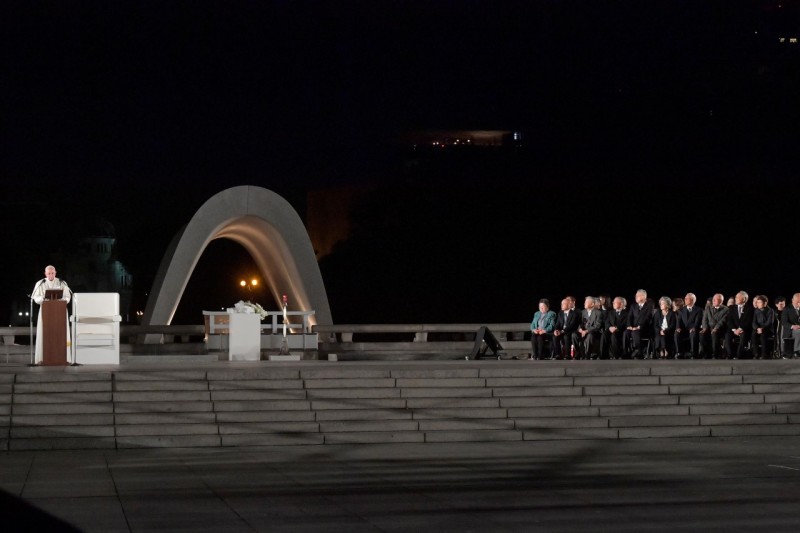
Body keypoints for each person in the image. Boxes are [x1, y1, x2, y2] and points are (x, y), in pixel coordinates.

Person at [31, 265, 72, 364]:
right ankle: (42, 358)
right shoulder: (40, 283)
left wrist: (60, 300)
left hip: (60, 311)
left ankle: (64, 358)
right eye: (48, 273)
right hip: (46, 311)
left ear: (55, 273)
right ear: (45, 273)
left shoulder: (62, 282)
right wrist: (43, 298)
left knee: (61, 334)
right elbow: (35, 298)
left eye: (52, 273)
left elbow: (68, 297)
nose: (50, 275)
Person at [726, 291, 753, 360]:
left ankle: (739, 355)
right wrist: (734, 330)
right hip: (733, 329)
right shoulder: (731, 308)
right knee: (727, 335)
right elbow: (729, 321)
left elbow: (749, 321)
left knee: (743, 335)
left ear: (744, 299)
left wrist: (740, 329)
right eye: (736, 297)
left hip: (744, 329)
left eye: (738, 297)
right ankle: (730, 355)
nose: (735, 298)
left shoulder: (750, 309)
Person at [627, 289, 654, 359]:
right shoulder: (633, 306)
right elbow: (629, 317)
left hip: (644, 328)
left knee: (635, 332)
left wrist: (639, 326)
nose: (635, 297)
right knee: (625, 333)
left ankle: (638, 350)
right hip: (633, 327)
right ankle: (626, 353)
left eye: (637, 296)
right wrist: (629, 326)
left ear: (642, 296)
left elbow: (647, 317)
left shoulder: (649, 305)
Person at [700, 294, 729, 359]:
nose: (713, 300)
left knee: (714, 334)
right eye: (713, 299)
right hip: (708, 328)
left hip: (719, 329)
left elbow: (722, 321)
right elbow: (704, 319)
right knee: (702, 334)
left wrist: (716, 328)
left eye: (715, 299)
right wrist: (704, 328)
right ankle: (706, 353)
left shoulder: (726, 310)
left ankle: (715, 354)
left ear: (721, 301)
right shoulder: (708, 308)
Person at [675, 293, 702, 359]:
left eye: (687, 298)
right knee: (677, 333)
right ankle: (679, 353)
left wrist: (694, 328)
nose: (685, 299)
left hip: (693, 330)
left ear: (692, 300)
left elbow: (698, 321)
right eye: (685, 298)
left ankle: (693, 353)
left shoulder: (698, 310)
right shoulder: (681, 310)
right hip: (684, 330)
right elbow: (679, 320)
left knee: (693, 334)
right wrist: (678, 328)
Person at [751, 295, 775, 360]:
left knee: (763, 335)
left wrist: (762, 328)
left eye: (760, 302)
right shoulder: (756, 311)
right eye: (757, 302)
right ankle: (756, 354)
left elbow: (769, 322)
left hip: (767, 329)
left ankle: (764, 354)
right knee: (753, 334)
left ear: (765, 303)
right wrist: (757, 328)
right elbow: (754, 322)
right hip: (758, 328)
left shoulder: (770, 310)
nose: (758, 304)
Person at [783, 293, 800, 359]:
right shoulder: (787, 309)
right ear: (792, 300)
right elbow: (784, 322)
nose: (798, 303)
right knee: (798, 332)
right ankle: (797, 351)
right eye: (797, 301)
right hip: (790, 330)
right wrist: (792, 326)